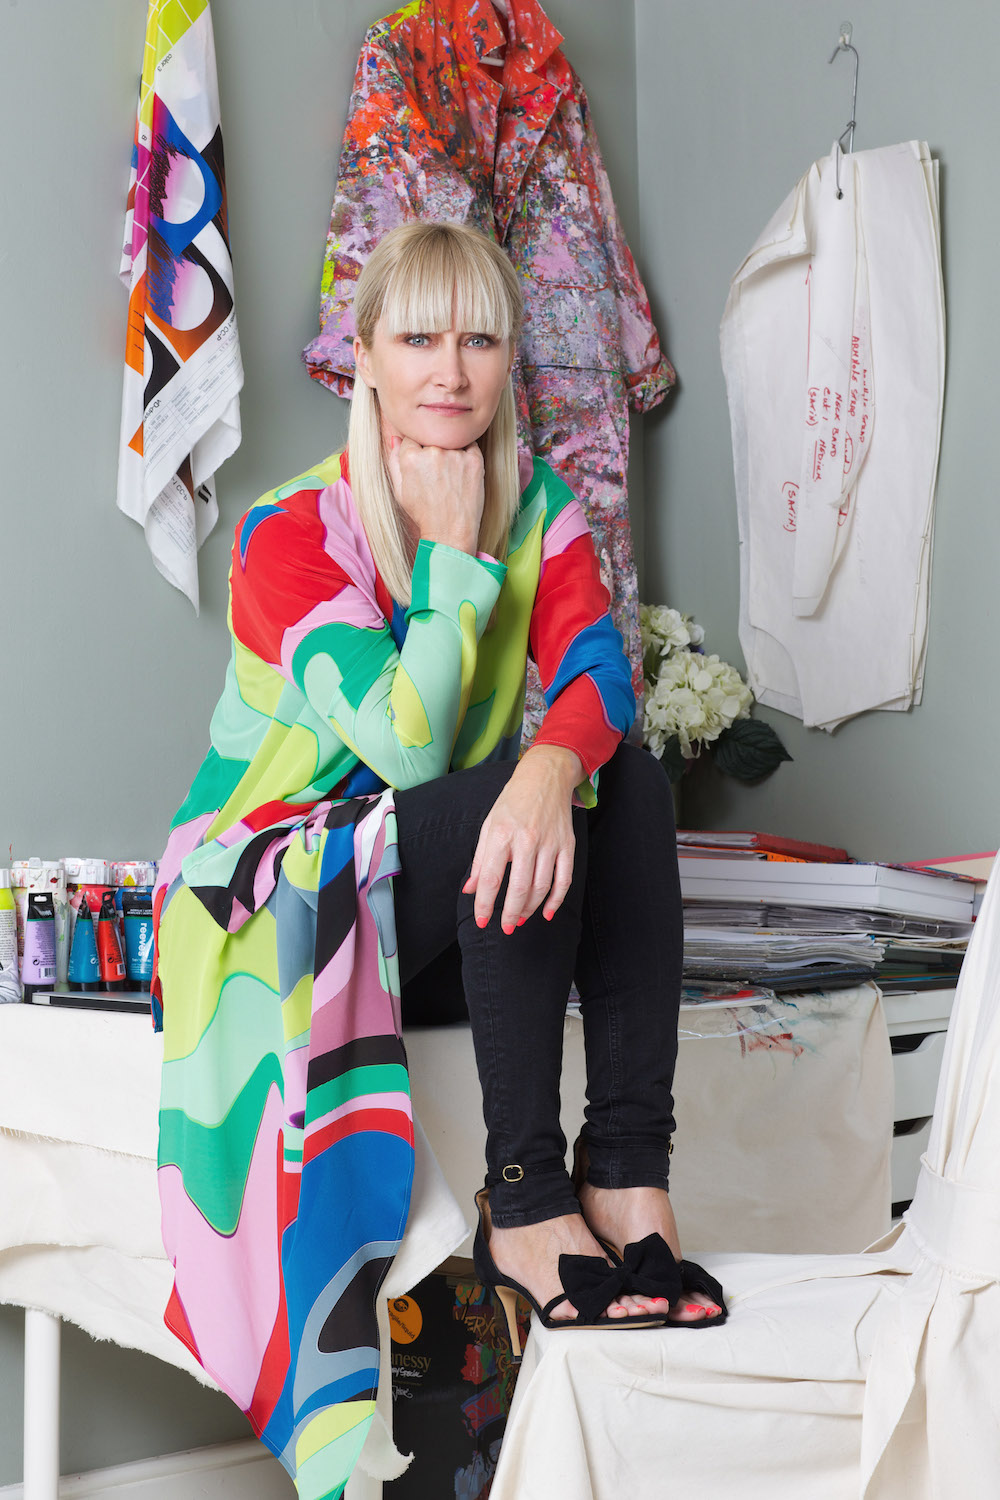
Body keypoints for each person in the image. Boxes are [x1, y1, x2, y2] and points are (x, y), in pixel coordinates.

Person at [152, 220, 724, 1494]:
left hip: (426, 882)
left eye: (479, 339)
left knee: (617, 779)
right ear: (362, 357)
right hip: (274, 895)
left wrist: (549, 767)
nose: (450, 371)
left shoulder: (540, 507)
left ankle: (630, 1176)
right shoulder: (288, 534)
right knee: (485, 799)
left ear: (511, 357)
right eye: (417, 338)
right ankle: (523, 1197)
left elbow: (597, 677)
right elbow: (406, 751)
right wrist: (454, 561)